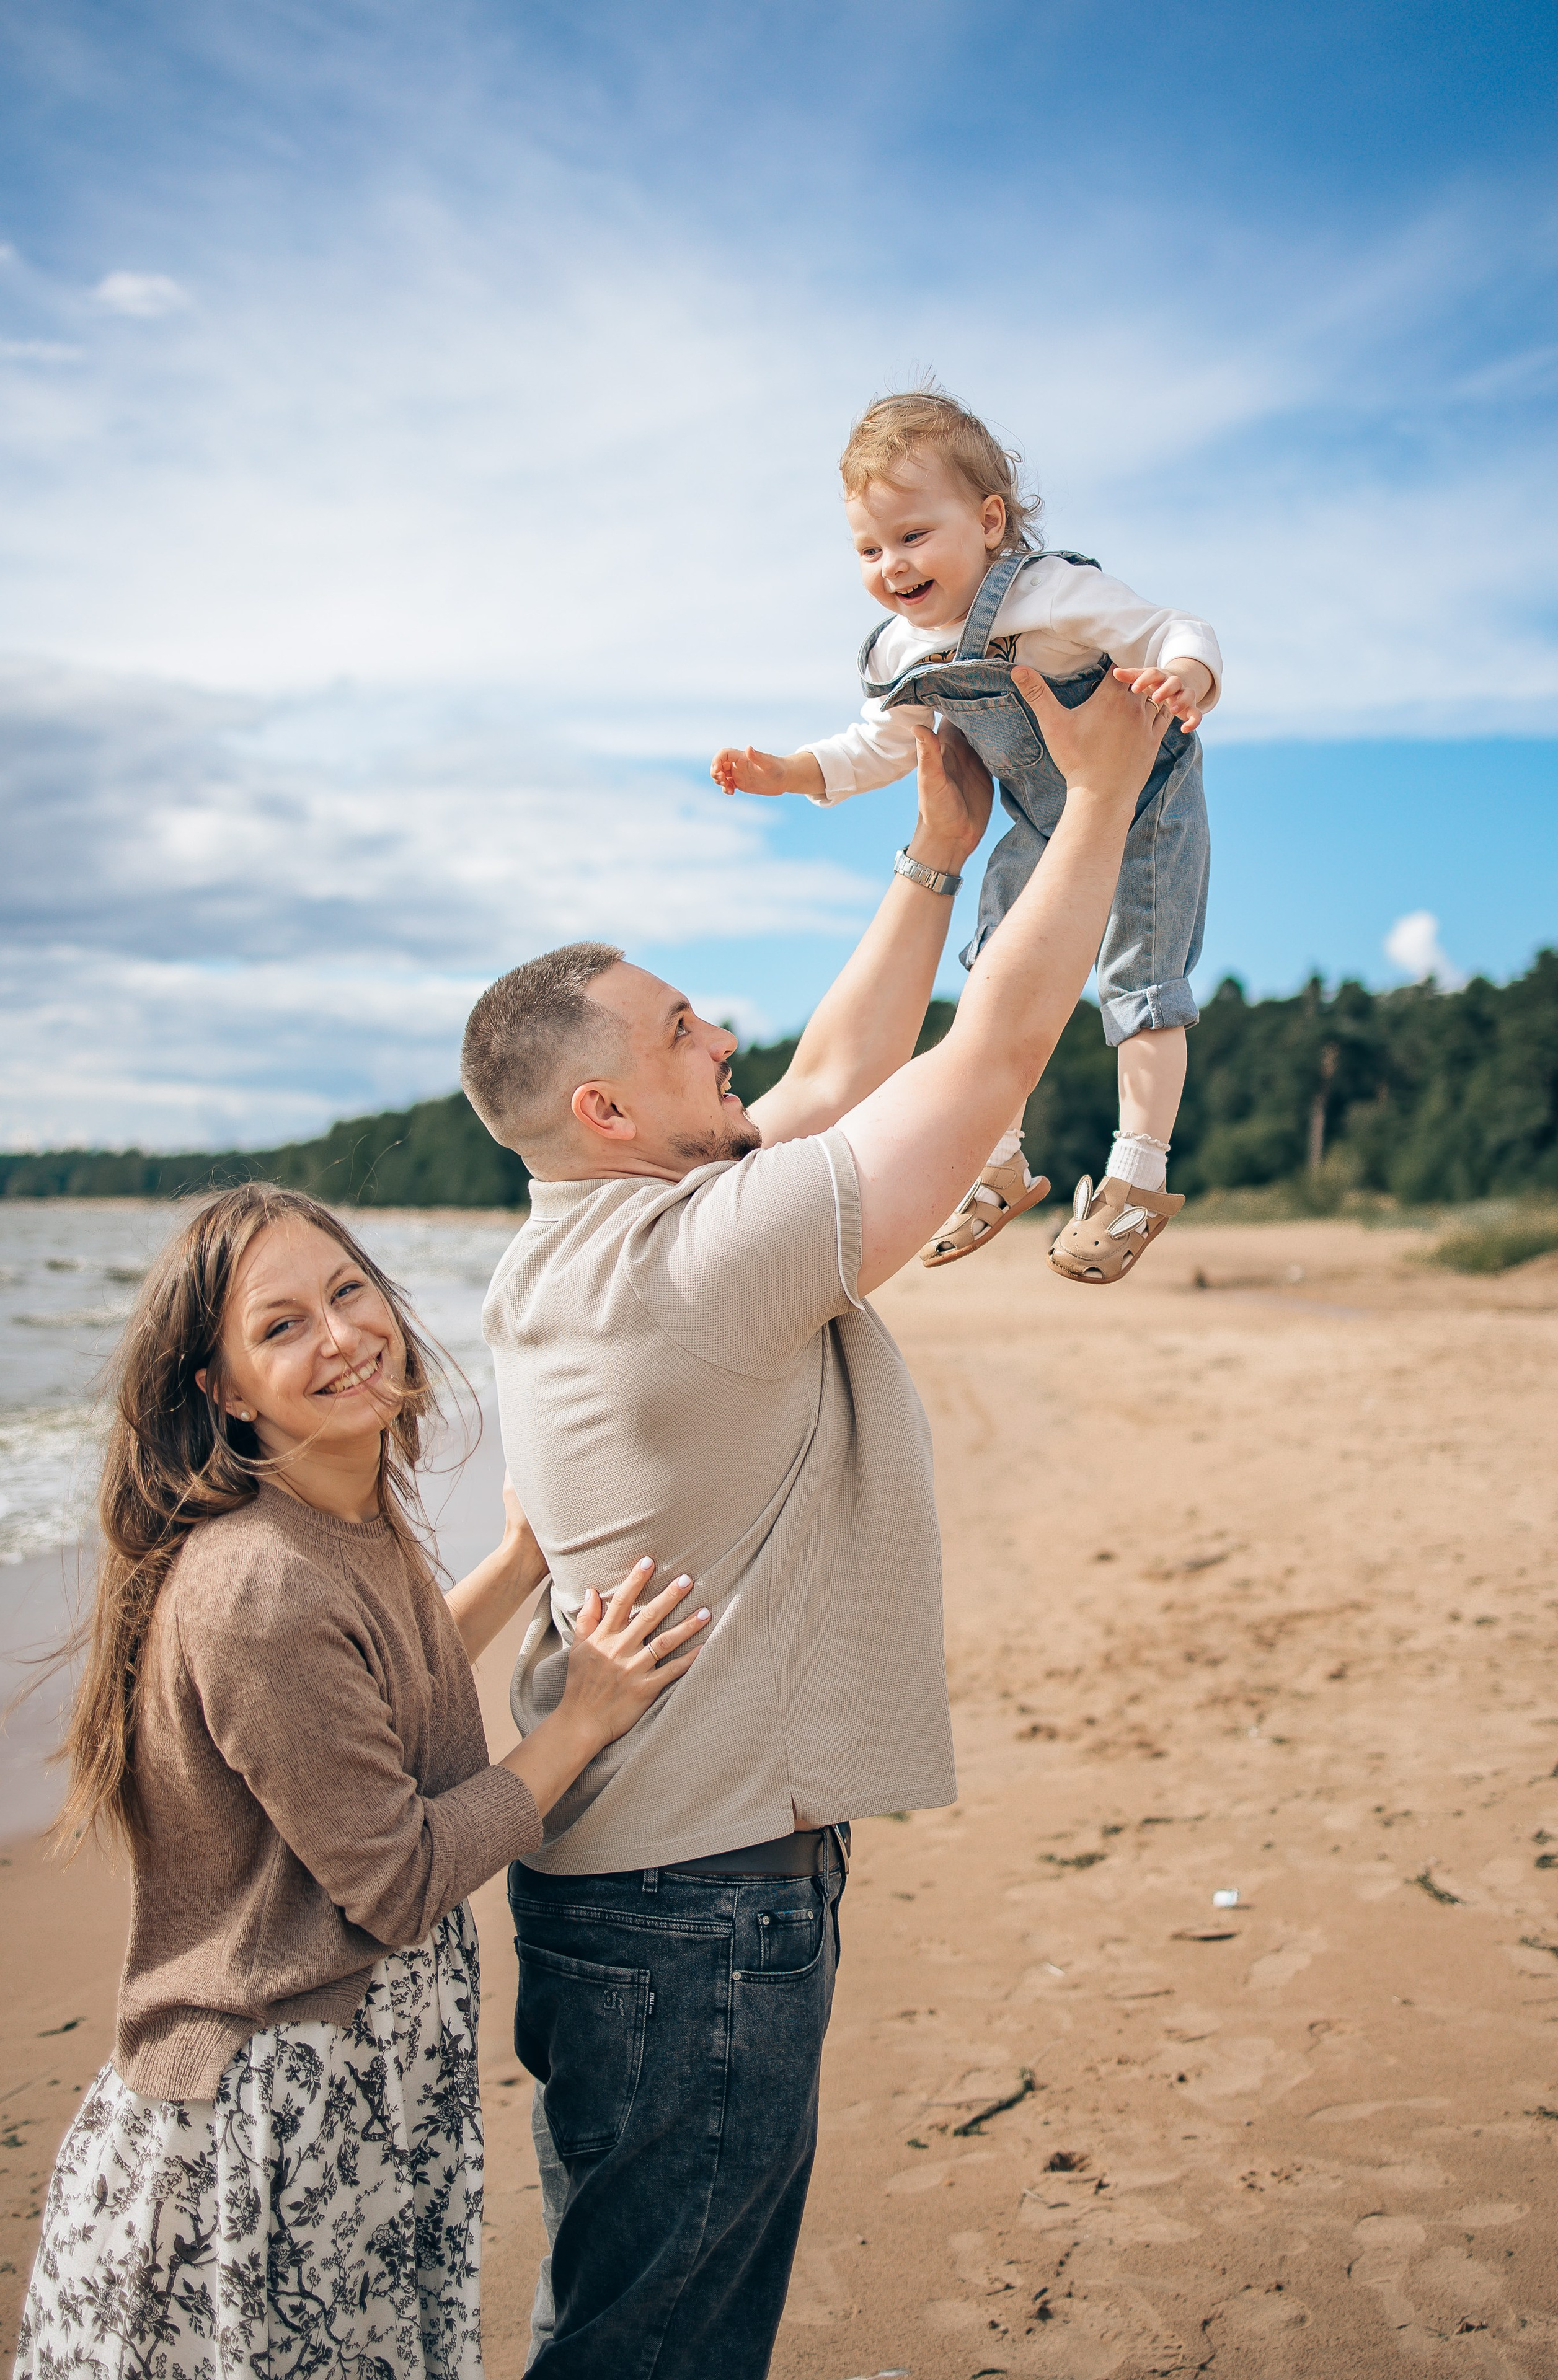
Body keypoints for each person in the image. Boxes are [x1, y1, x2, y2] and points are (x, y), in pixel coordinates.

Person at [462, 668, 1171, 2376]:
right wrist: (1099, 799)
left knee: (620, 2305)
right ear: (609, 1114)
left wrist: (934, 855)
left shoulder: (574, 1242)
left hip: (625, 1890)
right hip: (703, 1909)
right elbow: (987, 1054)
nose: (728, 1038)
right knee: (660, 2349)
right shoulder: (703, 1259)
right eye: (685, 1029)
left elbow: (842, 1066)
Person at [15, 1182, 708, 2380]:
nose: (341, 1336)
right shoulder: (258, 1586)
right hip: (273, 2123)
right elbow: (396, 1879)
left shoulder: (340, 1516)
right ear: (222, 1390)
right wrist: (583, 1717)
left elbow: (364, 1691)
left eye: (348, 1292)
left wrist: (513, 1569)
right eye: (281, 1327)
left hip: (350, 2085)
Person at [712, 382, 1224, 1285]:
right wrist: (792, 772)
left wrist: (1183, 673)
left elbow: (1174, 627)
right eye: (868, 547)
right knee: (994, 974)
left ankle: (1137, 1177)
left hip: (1142, 803)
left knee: (1140, 984)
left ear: (990, 521)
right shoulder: (898, 653)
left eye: (913, 536)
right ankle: (998, 1162)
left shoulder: (1050, 593)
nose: (891, 565)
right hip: (1038, 818)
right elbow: (882, 743)